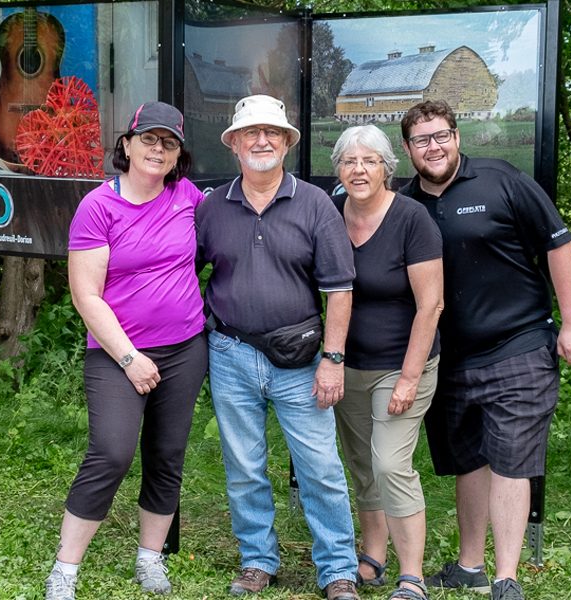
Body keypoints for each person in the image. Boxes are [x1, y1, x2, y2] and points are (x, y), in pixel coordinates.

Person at [397, 100, 571, 600]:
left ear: (457, 137)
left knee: (510, 457)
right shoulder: (402, 203)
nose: (433, 147)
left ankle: (506, 578)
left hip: (518, 343)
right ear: (407, 149)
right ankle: (470, 566)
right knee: (470, 460)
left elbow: (558, 243)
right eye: (421, 140)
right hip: (450, 357)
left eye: (441, 136)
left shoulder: (501, 181)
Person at [196, 94, 361, 600]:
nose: (261, 141)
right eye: (251, 133)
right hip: (230, 354)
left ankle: (337, 569)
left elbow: (340, 288)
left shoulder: (315, 204)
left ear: (287, 142)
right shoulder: (213, 207)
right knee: (243, 466)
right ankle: (257, 561)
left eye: (272, 133)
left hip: (301, 360)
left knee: (320, 468)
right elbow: (187, 270)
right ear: (235, 145)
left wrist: (333, 360)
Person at [44, 101, 208, 600]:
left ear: (179, 154)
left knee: (167, 454)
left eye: (169, 143)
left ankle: (150, 560)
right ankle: (65, 571)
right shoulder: (98, 205)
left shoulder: (189, 198)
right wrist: (130, 358)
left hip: (185, 348)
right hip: (118, 353)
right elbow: (85, 294)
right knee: (111, 453)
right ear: (128, 144)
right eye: (149, 140)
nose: (158, 150)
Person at [329, 125, 444, 600]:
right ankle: (373, 554)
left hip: (404, 364)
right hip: (348, 363)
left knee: (391, 463)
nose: (359, 170)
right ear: (338, 169)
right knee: (361, 463)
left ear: (386, 169)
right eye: (350, 161)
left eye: (369, 161)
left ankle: (412, 576)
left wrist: (410, 378)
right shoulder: (331, 215)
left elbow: (431, 305)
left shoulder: (412, 219)